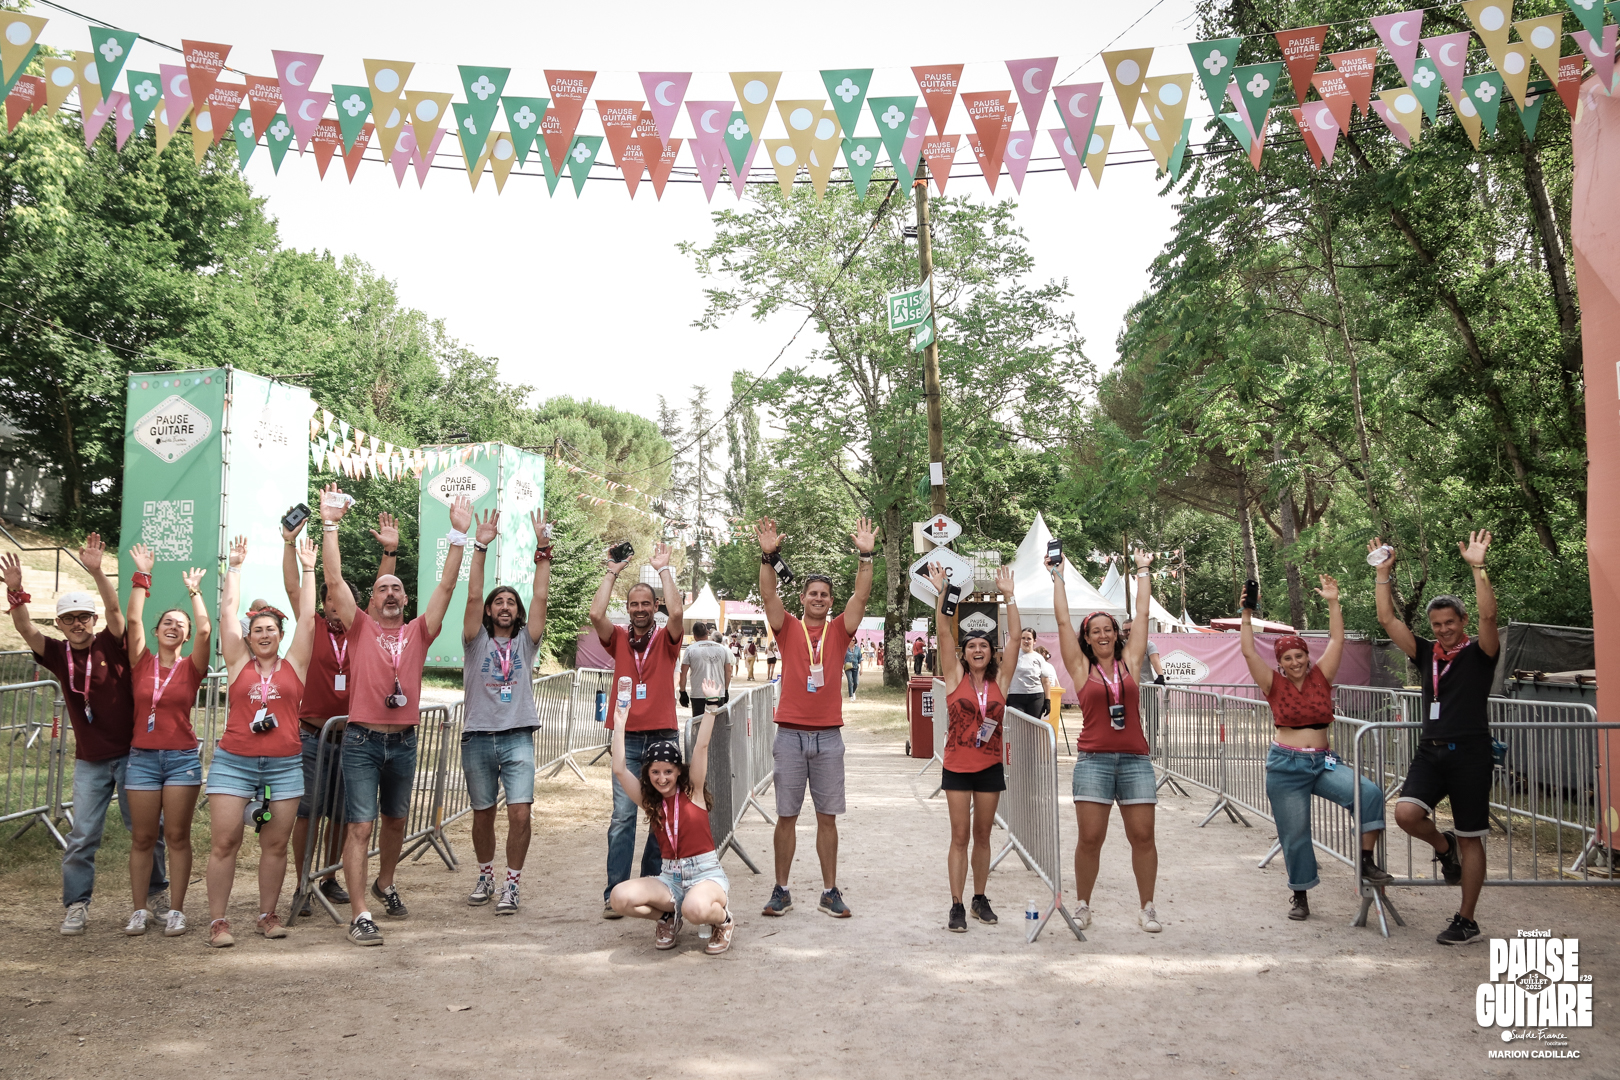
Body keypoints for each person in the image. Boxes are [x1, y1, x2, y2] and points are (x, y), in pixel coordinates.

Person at [320, 483, 471, 945]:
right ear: (372, 600)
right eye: (383, 587)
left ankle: (386, 882)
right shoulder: (359, 627)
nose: (390, 592)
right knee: (360, 824)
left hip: (404, 741)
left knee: (396, 822)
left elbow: (446, 586)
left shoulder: (420, 631)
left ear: (405, 600)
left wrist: (459, 536)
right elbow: (334, 581)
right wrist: (330, 525)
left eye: (397, 588)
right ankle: (361, 912)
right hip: (363, 740)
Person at [4, 536, 169, 936]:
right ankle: (77, 905)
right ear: (59, 624)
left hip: (133, 755)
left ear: (93, 621)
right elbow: (25, 627)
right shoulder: (58, 655)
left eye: (83, 617)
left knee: (147, 831)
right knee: (81, 836)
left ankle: (158, 893)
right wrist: (15, 590)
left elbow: (117, 609)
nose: (77, 624)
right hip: (90, 760)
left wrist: (97, 569)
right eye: (69, 619)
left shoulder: (113, 643)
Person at [1240, 575, 1394, 921]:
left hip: (1323, 762)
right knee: (1295, 833)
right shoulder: (1272, 683)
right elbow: (1249, 650)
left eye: (1300, 656)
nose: (1295, 662)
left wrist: (1333, 601)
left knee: (1368, 793)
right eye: (1288, 658)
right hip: (1285, 765)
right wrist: (1246, 613)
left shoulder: (1321, 676)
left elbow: (1337, 639)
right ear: (1280, 663)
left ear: (1308, 657)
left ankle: (1366, 861)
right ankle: (1300, 895)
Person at [1372, 532, 1499, 946]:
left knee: (1472, 835)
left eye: (1450, 623)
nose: (1443, 630)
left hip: (1471, 753)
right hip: (1430, 751)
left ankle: (1467, 920)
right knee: (1406, 814)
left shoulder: (1481, 652)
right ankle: (1445, 851)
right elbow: (1388, 621)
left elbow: (1490, 619)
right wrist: (1383, 575)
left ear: (1462, 622)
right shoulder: (1425, 652)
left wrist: (1478, 568)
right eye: (1437, 625)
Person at [754, 515, 875, 919]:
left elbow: (860, 597)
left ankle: (829, 890)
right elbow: (768, 595)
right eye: (813, 594)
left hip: (828, 738)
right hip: (789, 735)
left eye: (825, 594)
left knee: (827, 819)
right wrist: (768, 556)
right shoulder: (787, 628)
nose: (819, 599)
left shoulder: (842, 630)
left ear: (829, 600)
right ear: (803, 598)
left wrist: (866, 555)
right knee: (786, 816)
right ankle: (781, 890)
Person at [281, 508, 399, 917]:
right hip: (312, 736)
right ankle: (302, 881)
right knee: (305, 813)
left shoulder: (362, 631)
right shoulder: (309, 626)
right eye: (329, 597)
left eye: (340, 597)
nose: (334, 603)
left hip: (352, 739)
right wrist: (288, 544)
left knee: (341, 814)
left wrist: (390, 552)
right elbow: (294, 584)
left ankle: (329, 878)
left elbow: (381, 593)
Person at [204, 535, 318, 947]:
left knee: (275, 844)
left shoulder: (296, 664)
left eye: (271, 629)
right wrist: (234, 566)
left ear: (279, 634)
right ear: (248, 636)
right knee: (225, 841)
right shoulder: (236, 661)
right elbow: (226, 612)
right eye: (258, 629)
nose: (264, 634)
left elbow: (308, 618)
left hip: (284, 764)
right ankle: (218, 922)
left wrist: (308, 568)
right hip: (234, 762)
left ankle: (267, 916)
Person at [1052, 547, 1162, 933]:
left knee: (1143, 836)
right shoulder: (1081, 668)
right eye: (1095, 630)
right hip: (1094, 760)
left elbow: (1144, 615)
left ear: (1117, 635)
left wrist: (1143, 570)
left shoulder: (1131, 662)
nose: (1102, 634)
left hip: (1135, 760)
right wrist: (1059, 575)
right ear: (1088, 637)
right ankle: (1083, 906)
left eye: (1108, 629)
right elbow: (1063, 622)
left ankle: (1147, 907)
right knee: (1091, 838)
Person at [460, 508, 552, 916]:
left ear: (516, 613)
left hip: (518, 736)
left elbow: (541, 597)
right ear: (489, 610)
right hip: (478, 735)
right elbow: (473, 595)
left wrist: (543, 549)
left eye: (511, 602)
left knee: (520, 814)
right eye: (499, 601)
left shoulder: (526, 643)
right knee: (483, 816)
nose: (504, 606)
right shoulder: (474, 641)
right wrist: (480, 545)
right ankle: (485, 874)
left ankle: (511, 884)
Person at [589, 541, 685, 919]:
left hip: (662, 736)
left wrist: (663, 569)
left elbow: (678, 611)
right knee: (622, 817)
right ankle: (615, 892)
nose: (641, 609)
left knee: (661, 815)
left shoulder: (667, 640)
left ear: (655, 608)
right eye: (634, 605)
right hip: (627, 737)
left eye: (647, 604)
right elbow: (596, 613)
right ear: (628, 610)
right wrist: (612, 570)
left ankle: (648, 886)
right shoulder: (619, 641)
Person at [606, 678, 734, 954]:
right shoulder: (650, 802)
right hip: (670, 878)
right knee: (619, 898)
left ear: (679, 771)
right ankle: (666, 917)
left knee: (695, 909)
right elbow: (619, 769)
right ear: (648, 775)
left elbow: (700, 747)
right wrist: (619, 722)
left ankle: (723, 921)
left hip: (705, 874)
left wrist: (711, 706)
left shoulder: (694, 792)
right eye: (655, 772)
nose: (662, 778)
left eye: (668, 771)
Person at [120, 547, 210, 938]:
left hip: (181, 759)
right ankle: (139, 910)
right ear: (157, 632)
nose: (174, 627)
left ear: (186, 636)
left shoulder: (192, 667)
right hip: (141, 757)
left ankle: (176, 910)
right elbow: (132, 617)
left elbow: (207, 629)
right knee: (143, 837)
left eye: (181, 625)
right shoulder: (141, 661)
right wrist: (144, 576)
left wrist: (194, 593)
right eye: (168, 622)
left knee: (176, 836)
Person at [929, 562, 1018, 932]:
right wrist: (942, 594)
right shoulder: (954, 678)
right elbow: (944, 635)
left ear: (991, 652)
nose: (978, 650)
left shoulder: (1002, 681)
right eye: (972, 646)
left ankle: (980, 898)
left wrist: (1010, 596)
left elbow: (1014, 638)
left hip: (989, 767)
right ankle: (956, 904)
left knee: (983, 836)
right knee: (960, 836)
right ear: (965, 654)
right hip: (956, 766)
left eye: (984, 645)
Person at [680, 622, 732, 718]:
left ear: (694, 635)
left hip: (698, 693)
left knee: (699, 724)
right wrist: (726, 689)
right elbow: (728, 671)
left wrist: (682, 692)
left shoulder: (690, 650)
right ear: (707, 633)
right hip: (718, 692)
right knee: (717, 724)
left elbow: (683, 673)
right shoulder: (722, 649)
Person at [1007, 627, 1054, 719]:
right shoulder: (1012, 655)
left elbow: (1045, 681)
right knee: (1018, 725)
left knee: (1033, 727)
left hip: (1035, 696)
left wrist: (1048, 700)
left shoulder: (1039, 658)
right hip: (1016, 696)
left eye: (1029, 639)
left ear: (1034, 641)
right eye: (1023, 638)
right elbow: (1005, 678)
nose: (1026, 641)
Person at [1122, 619, 1166, 685]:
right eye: (1125, 631)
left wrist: (1160, 676)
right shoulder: (1120, 647)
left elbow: (1155, 661)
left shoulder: (1148, 645)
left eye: (1131, 629)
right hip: (1128, 687)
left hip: (1146, 687)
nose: (1128, 632)